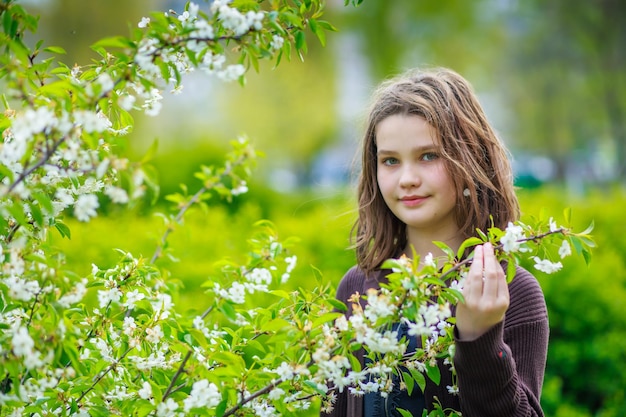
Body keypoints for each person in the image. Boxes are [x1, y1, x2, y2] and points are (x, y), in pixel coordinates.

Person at [320, 67, 548, 417]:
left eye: (429, 156)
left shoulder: (510, 291)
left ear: (471, 159)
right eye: (390, 161)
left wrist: (480, 340)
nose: (408, 179)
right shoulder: (356, 287)